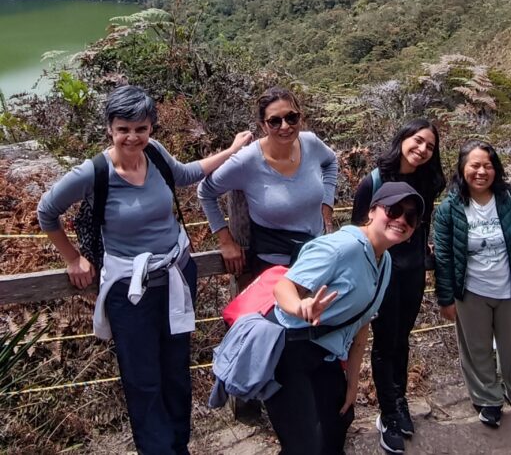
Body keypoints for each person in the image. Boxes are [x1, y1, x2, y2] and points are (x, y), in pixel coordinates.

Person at [37, 85, 252, 455]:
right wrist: (72, 258)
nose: (132, 137)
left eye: (141, 128)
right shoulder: (94, 172)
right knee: (143, 379)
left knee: (175, 370)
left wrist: (232, 150)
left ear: (151, 127)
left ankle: (179, 446)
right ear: (110, 128)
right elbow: (47, 212)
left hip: (176, 275)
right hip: (129, 289)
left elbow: (186, 174)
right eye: (123, 129)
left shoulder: (154, 153)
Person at [267, 181, 426, 455]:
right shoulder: (341, 248)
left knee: (337, 425)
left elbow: (361, 323)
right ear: (372, 211)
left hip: (326, 355)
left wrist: (352, 384)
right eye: (394, 210)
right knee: (305, 445)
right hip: (290, 349)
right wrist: (300, 306)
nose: (401, 219)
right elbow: (284, 286)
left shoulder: (384, 261)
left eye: (410, 217)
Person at [351, 118, 446, 452]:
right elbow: (359, 230)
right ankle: (388, 413)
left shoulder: (427, 181)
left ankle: (399, 400)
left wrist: (425, 248)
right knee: (384, 341)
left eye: (430, 146)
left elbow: (423, 222)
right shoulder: (374, 181)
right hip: (383, 272)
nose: (422, 149)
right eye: (417, 140)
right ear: (403, 138)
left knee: (401, 338)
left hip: (413, 270)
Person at [434, 140, 511, 428]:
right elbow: (443, 257)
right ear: (462, 168)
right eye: (475, 165)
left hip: (510, 288)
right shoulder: (449, 208)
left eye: (488, 166)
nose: (481, 172)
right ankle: (488, 399)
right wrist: (446, 299)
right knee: (476, 348)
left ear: (496, 169)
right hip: (471, 291)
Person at [198, 86, 338, 275]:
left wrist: (327, 204)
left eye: (291, 117)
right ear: (263, 126)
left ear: (300, 117)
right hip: (274, 268)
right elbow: (206, 192)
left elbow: (331, 161)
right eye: (274, 121)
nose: (285, 126)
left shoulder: (311, 143)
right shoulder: (247, 161)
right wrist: (225, 240)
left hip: (316, 258)